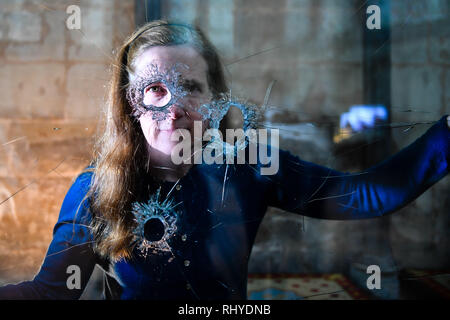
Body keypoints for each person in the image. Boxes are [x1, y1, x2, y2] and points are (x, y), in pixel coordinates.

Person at [0, 20, 448, 300]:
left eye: (190, 87)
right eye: (155, 89)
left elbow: (367, 194)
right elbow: (48, 292)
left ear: (215, 99)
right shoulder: (95, 191)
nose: (172, 108)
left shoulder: (250, 165)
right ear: (129, 103)